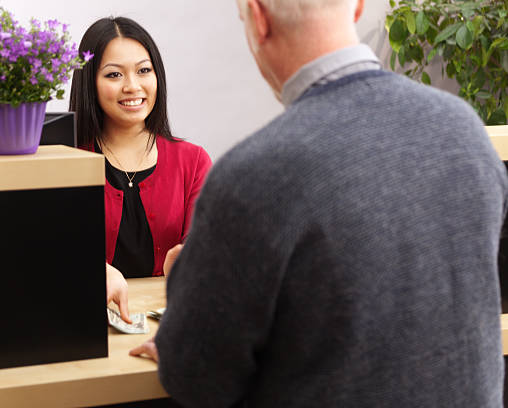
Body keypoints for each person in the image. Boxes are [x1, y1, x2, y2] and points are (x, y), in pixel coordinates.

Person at [130, 0, 508, 406]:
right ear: (359, 7)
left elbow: (197, 377)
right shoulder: (464, 129)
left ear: (258, 19)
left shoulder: (255, 175)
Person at [70, 17, 212, 322]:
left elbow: (208, 252)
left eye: (143, 70)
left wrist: (191, 259)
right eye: (114, 74)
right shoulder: (64, 161)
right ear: (89, 82)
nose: (132, 86)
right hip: (82, 323)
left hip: (168, 323)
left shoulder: (193, 160)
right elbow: (42, 251)